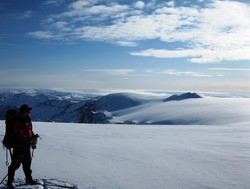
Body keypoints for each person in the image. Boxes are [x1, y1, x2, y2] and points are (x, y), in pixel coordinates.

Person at [7, 104, 38, 188]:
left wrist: (33, 136)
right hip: (19, 147)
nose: (29, 113)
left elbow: (29, 132)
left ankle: (29, 179)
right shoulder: (18, 121)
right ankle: (10, 181)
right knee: (15, 165)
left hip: (26, 146)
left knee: (27, 164)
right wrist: (28, 140)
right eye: (28, 111)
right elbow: (19, 134)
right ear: (24, 112)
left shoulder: (27, 121)